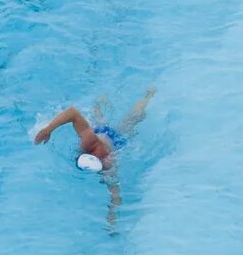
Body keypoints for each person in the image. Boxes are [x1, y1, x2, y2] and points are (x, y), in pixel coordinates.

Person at [33, 89, 156, 219]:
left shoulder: (104, 160)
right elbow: (115, 196)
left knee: (132, 119)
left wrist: (48, 129)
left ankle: (148, 95)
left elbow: (73, 112)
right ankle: (100, 98)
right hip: (100, 135)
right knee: (99, 120)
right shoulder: (89, 146)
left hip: (116, 141)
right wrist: (112, 216)